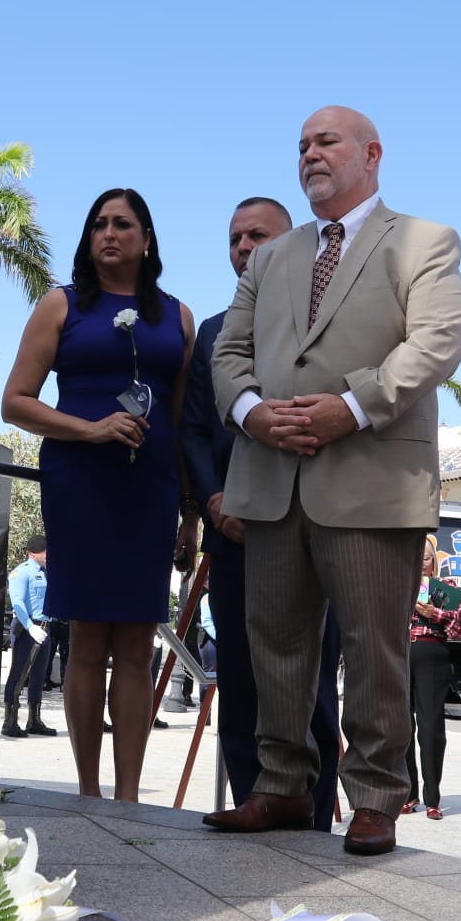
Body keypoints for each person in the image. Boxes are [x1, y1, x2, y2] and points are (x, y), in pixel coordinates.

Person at [204, 105, 461, 857]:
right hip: (272, 473)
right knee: (273, 644)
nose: (310, 154)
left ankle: (378, 797)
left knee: (372, 646)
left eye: (326, 141)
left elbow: (439, 340)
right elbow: (229, 355)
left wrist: (350, 408)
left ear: (372, 154)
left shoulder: (424, 240)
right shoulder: (270, 257)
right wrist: (254, 414)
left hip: (371, 475)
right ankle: (282, 786)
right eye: (301, 146)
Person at [1, 187, 193, 802]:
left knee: (137, 640)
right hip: (80, 484)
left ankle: (130, 798)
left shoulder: (178, 315)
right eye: (99, 225)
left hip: (151, 486)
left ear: (147, 238)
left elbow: (187, 419)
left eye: (123, 224)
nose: (109, 234)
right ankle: (88, 794)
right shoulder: (60, 306)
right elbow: (15, 402)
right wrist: (90, 429)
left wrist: (190, 513)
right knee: (86, 637)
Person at [179, 197, 342, 831]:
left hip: (310, 535)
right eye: (235, 238)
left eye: (259, 236)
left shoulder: (322, 324)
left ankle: (316, 820)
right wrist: (215, 499)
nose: (244, 248)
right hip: (235, 535)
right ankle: (254, 801)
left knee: (312, 684)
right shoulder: (215, 333)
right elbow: (194, 430)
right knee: (242, 681)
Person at [406, 533, 461, 820]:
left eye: (427, 558)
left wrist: (435, 614)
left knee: (430, 727)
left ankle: (432, 797)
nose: (421, 563)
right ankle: (408, 794)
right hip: (401, 651)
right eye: (416, 557)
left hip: (432, 653)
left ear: (435, 562)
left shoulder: (448, 587)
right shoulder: (400, 582)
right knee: (400, 727)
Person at [2, 535, 57, 738]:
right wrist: (29, 626)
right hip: (28, 628)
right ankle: (10, 721)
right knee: (18, 674)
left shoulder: (48, 573)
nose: (48, 555)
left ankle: (34, 719)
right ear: (33, 553)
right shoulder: (21, 573)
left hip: (45, 628)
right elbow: (18, 603)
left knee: (39, 676)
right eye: (45, 552)